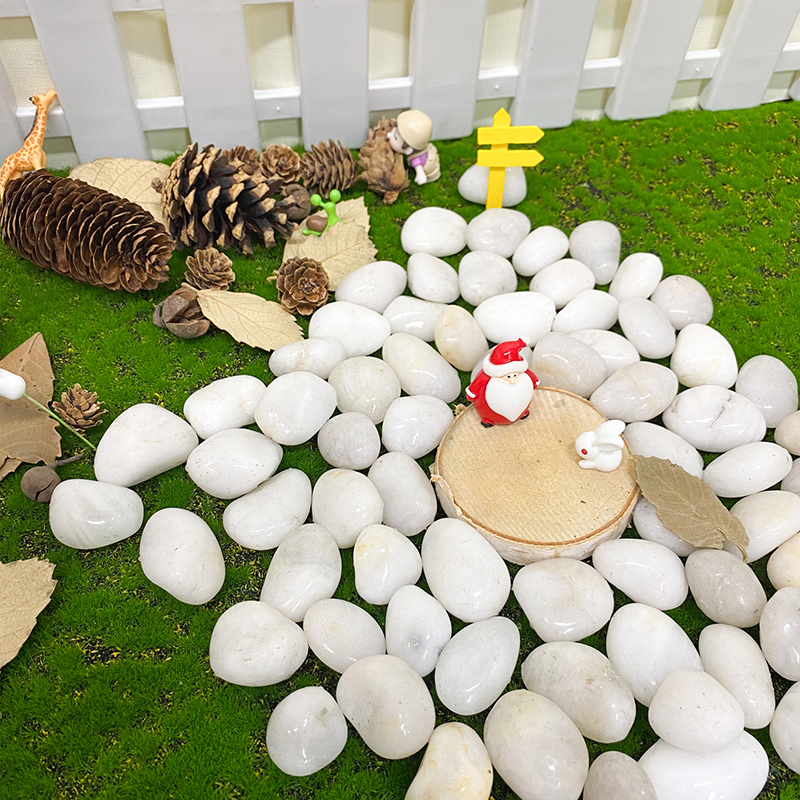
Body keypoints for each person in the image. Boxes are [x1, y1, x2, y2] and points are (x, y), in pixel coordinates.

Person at [466, 338, 539, 427]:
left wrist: (534, 381)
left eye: (515, 376)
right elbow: (475, 387)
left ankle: (521, 412)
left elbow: (532, 377)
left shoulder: (523, 373)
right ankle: (489, 418)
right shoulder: (486, 378)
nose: (512, 381)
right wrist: (472, 393)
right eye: (508, 377)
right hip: (489, 409)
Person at [387, 110, 441, 185]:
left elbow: (419, 169)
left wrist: (420, 176)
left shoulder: (416, 159)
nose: (389, 135)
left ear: (408, 150)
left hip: (428, 171)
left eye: (395, 138)